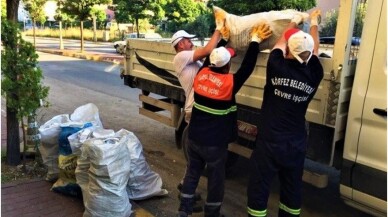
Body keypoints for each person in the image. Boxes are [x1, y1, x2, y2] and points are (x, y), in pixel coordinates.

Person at [177, 23, 273, 217]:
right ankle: (212, 213)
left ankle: (184, 210)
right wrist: (255, 41)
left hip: (194, 137)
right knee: (215, 179)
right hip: (214, 144)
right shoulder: (229, 85)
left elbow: (213, 60)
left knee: (193, 173)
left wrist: (222, 41)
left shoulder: (201, 75)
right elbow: (247, 67)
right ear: (228, 66)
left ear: (211, 63)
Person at [246, 9, 323, 217]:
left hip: (270, 141)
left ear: (289, 51)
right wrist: (314, 23)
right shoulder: (316, 72)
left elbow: (280, 41)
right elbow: (314, 49)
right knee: (291, 190)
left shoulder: (276, 65)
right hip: (295, 144)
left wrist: (294, 22)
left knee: (259, 188)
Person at [172, 11, 230, 213]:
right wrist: (218, 29)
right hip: (194, 110)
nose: (191, 43)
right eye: (188, 41)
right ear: (180, 44)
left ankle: (184, 190)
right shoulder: (181, 57)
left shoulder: (190, 60)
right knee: (197, 160)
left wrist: (228, 50)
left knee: (194, 160)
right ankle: (187, 195)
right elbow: (207, 51)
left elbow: (211, 61)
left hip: (197, 110)